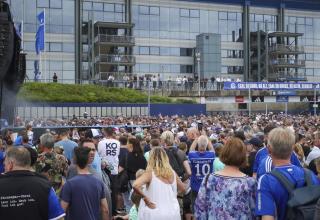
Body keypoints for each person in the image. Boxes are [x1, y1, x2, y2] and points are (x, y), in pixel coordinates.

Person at [256, 128, 320, 220]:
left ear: (269, 149)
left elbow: (267, 217)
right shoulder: (310, 175)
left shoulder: (266, 180)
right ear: (292, 149)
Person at [194, 137, 256, 219]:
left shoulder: (209, 179)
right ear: (243, 156)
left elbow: (200, 209)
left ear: (224, 153)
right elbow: (254, 212)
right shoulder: (250, 182)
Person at [0, 147, 65, 220]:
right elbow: (58, 218)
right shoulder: (45, 186)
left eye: (4, 163)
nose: (4, 166)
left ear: (10, 164)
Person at [133, 147, 186, 220]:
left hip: (154, 212)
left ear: (151, 159)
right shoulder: (173, 173)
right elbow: (183, 188)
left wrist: (145, 198)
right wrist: (172, 195)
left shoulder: (150, 174)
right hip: (172, 212)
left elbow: (135, 185)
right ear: (165, 158)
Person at [60, 147, 109, 220]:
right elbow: (105, 209)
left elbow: (62, 211)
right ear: (88, 161)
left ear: (75, 161)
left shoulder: (69, 184)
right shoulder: (99, 182)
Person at [98, 127, 121, 216]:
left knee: (105, 191)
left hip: (104, 170)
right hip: (114, 169)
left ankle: (106, 211)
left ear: (105, 132)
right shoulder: (117, 142)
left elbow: (99, 154)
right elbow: (117, 154)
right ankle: (113, 212)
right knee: (114, 192)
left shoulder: (101, 143)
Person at [188, 135, 215, 211]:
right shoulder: (211, 155)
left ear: (198, 145)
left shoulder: (193, 155)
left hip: (195, 186)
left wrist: (196, 139)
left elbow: (191, 150)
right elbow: (212, 149)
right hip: (207, 185)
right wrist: (206, 137)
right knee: (207, 208)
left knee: (195, 207)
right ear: (206, 145)